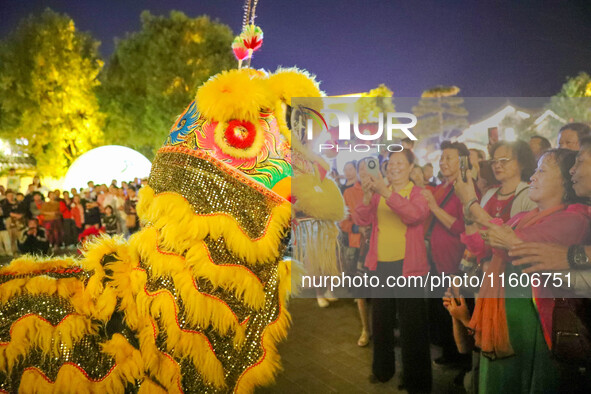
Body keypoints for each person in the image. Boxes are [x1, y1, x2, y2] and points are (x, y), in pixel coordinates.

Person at [457, 149, 591, 393]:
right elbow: (481, 245)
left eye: (542, 170)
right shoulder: (523, 216)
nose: (533, 177)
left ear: (564, 180)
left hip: (531, 324)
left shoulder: (573, 219)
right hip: (502, 316)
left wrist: (471, 203)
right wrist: (469, 215)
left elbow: (514, 245)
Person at [356, 150, 432, 391]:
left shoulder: (420, 194)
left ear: (411, 167)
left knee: (413, 327)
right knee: (380, 322)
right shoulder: (379, 193)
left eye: (400, 163)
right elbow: (362, 220)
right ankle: (382, 369)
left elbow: (413, 216)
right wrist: (368, 196)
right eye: (390, 163)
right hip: (382, 266)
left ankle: (416, 381)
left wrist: (386, 192)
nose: (393, 167)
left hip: (409, 269)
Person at [421, 140, 475, 366]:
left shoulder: (466, 189)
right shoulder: (442, 186)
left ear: (462, 162)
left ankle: (463, 364)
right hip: (437, 261)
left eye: (448, 158)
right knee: (443, 312)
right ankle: (450, 354)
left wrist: (433, 206)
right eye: (441, 158)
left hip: (455, 264)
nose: (443, 162)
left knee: (458, 311)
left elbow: (462, 227)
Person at [339, 160, 370, 346]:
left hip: (380, 248)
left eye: (370, 168)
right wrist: (358, 228)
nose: (366, 173)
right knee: (361, 292)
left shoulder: (385, 190)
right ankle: (366, 328)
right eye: (362, 170)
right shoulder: (349, 193)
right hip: (358, 245)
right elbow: (343, 222)